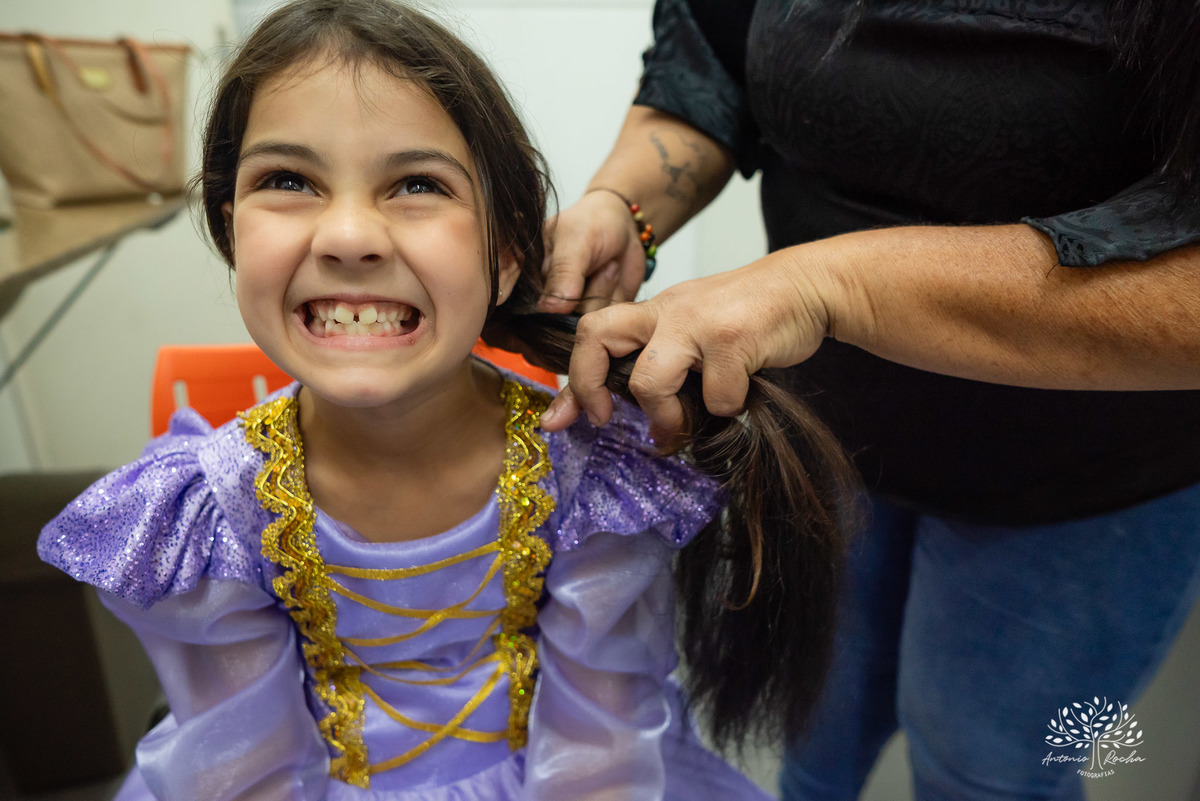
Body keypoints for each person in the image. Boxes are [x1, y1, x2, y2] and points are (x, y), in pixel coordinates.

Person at [37, 1, 859, 798]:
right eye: (289, 179)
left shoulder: (591, 474)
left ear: (507, 252)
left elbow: (600, 752)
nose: (349, 235)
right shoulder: (209, 511)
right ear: (231, 229)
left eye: (416, 185)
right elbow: (243, 771)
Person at [535, 1, 1200, 800]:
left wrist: (827, 285)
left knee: (990, 773)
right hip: (827, 444)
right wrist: (624, 202)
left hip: (1091, 483)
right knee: (812, 744)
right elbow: (712, 56)